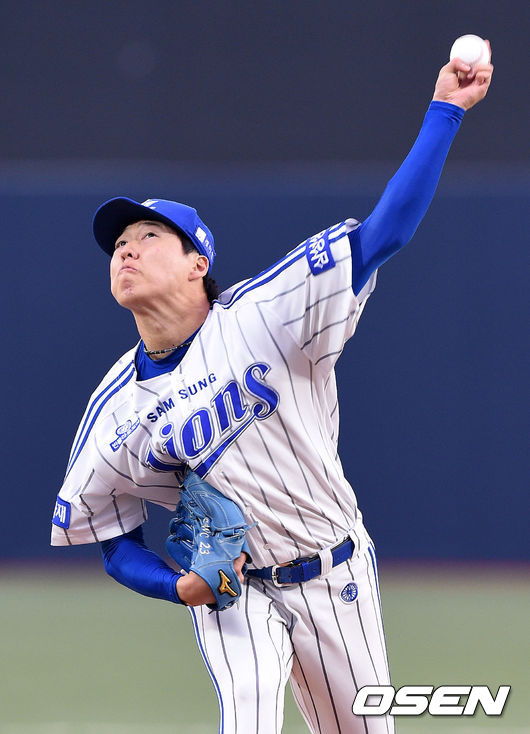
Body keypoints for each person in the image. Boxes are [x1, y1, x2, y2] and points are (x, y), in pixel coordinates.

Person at [51, 52, 493, 734]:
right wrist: (177, 585)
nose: (126, 251)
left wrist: (446, 112)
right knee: (248, 717)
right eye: (118, 246)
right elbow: (112, 536)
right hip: (235, 590)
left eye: (148, 237)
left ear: (198, 263)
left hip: (334, 571)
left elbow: (385, 234)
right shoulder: (116, 409)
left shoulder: (265, 314)